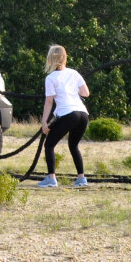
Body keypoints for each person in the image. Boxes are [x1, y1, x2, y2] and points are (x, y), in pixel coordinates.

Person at [38, 45, 90, 188]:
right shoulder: (74, 73)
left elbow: (49, 101)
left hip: (68, 114)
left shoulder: (50, 78)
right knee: (73, 145)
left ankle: (51, 178)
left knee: (49, 145)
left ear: (50, 59)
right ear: (64, 57)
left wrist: (44, 122)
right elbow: (86, 93)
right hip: (83, 114)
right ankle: (81, 178)